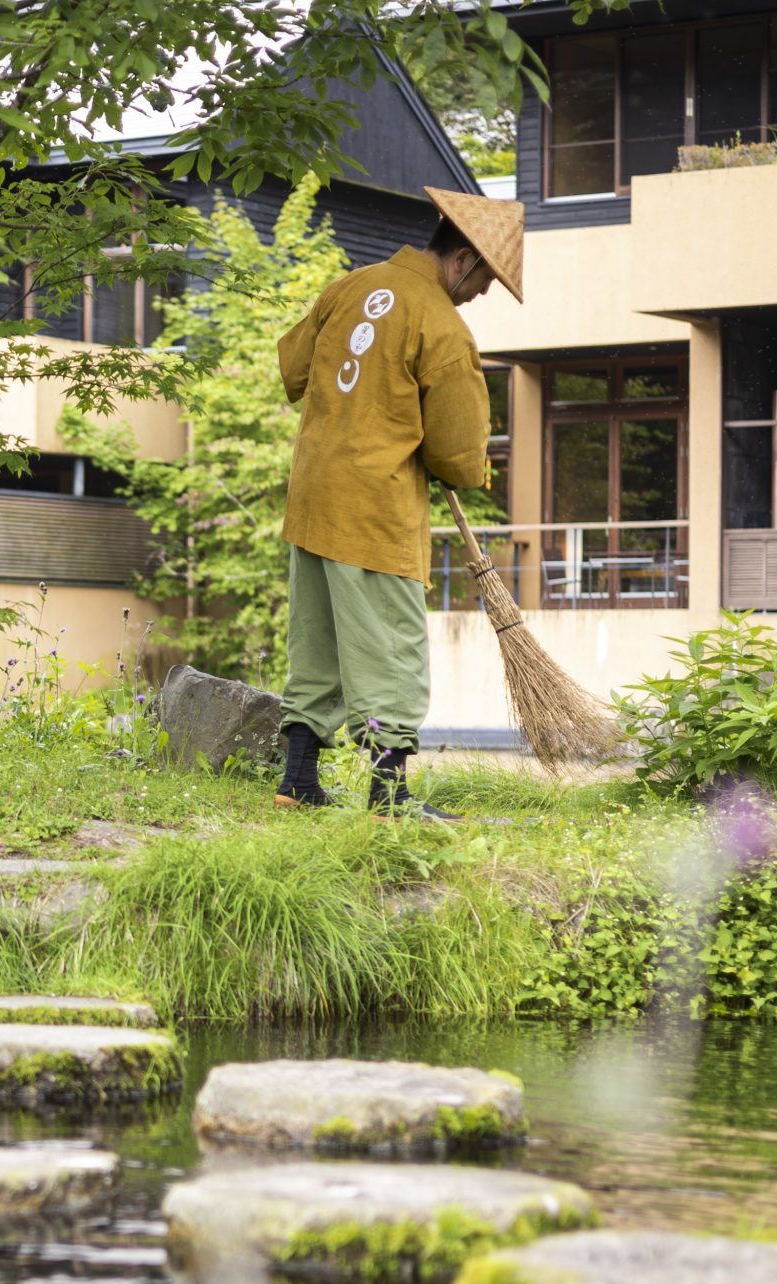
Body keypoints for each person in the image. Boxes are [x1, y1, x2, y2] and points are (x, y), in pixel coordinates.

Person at [272, 187, 523, 814]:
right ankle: (389, 797)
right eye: (486, 280)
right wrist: (456, 461)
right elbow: (460, 459)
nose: (482, 294)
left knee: (318, 641)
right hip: (374, 511)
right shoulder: (442, 328)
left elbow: (293, 370)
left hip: (312, 497)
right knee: (390, 648)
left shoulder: (351, 285)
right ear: (463, 258)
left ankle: (297, 783)